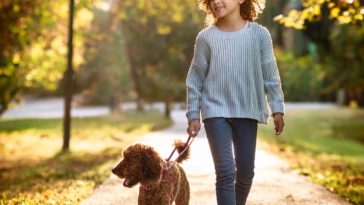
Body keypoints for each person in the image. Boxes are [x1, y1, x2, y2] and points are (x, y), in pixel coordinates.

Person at [185, 0, 285, 204]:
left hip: (247, 110)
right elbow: (195, 79)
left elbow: (271, 75)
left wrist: (277, 109)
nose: (216, 2)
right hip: (215, 111)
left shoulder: (259, 35)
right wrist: (194, 114)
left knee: (246, 174)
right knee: (224, 173)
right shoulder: (206, 38)